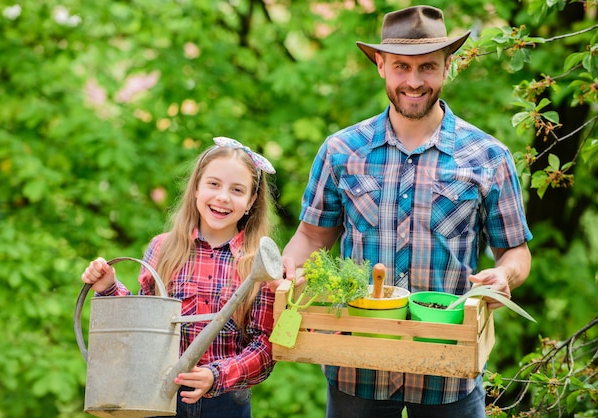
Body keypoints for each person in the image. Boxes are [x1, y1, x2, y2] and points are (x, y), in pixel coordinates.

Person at [282, 5, 532, 418]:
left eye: (428, 68)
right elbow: (311, 236)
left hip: (449, 370)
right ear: (380, 65)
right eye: (401, 67)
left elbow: (516, 252)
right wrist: (289, 267)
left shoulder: (488, 156)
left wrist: (504, 275)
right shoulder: (342, 151)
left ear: (448, 66)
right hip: (357, 367)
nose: (414, 82)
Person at [81, 136, 277, 418]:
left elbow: (265, 347)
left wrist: (216, 375)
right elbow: (143, 328)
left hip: (225, 402)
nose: (223, 196)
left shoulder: (259, 262)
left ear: (251, 202)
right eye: (213, 184)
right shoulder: (163, 248)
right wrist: (109, 287)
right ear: (196, 188)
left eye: (237, 190)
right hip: (158, 398)